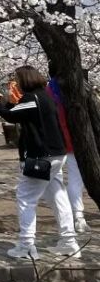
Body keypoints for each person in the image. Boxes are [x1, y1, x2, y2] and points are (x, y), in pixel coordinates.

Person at [0, 65, 79, 258]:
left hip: (42, 156)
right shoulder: (47, 97)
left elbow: (11, 115)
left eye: (18, 80)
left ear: (25, 80)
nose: (16, 84)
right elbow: (19, 112)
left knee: (26, 198)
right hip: (57, 154)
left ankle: (26, 245)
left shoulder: (32, 99)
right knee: (58, 196)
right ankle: (69, 241)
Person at [46, 73, 88, 233]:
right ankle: (77, 217)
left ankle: (77, 217)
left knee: (65, 180)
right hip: (78, 139)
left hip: (60, 141)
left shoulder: (49, 90)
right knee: (75, 179)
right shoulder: (77, 86)